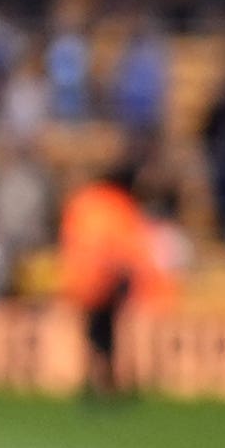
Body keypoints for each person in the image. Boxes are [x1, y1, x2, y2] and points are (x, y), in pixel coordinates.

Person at [55, 155, 155, 406]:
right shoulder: (119, 205)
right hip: (108, 278)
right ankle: (108, 382)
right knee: (108, 334)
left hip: (82, 278)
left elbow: (71, 238)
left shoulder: (84, 201)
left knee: (93, 333)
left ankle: (94, 380)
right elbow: (126, 247)